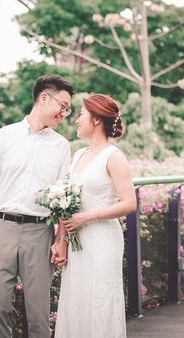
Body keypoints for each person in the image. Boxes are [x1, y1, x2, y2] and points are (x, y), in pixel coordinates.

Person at [0, 74, 74, 338]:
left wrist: (60, 239)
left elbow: (64, 201)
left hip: (39, 233)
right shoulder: (5, 136)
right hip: (2, 228)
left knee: (39, 314)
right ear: (44, 98)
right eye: (63, 106)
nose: (65, 113)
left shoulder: (61, 147)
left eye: (68, 109)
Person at [54, 93, 137, 338]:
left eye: (81, 114)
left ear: (97, 119)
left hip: (102, 240)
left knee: (99, 301)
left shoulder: (114, 157)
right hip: (78, 242)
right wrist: (63, 239)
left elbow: (130, 203)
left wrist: (87, 217)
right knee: (77, 300)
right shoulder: (78, 154)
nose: (77, 119)